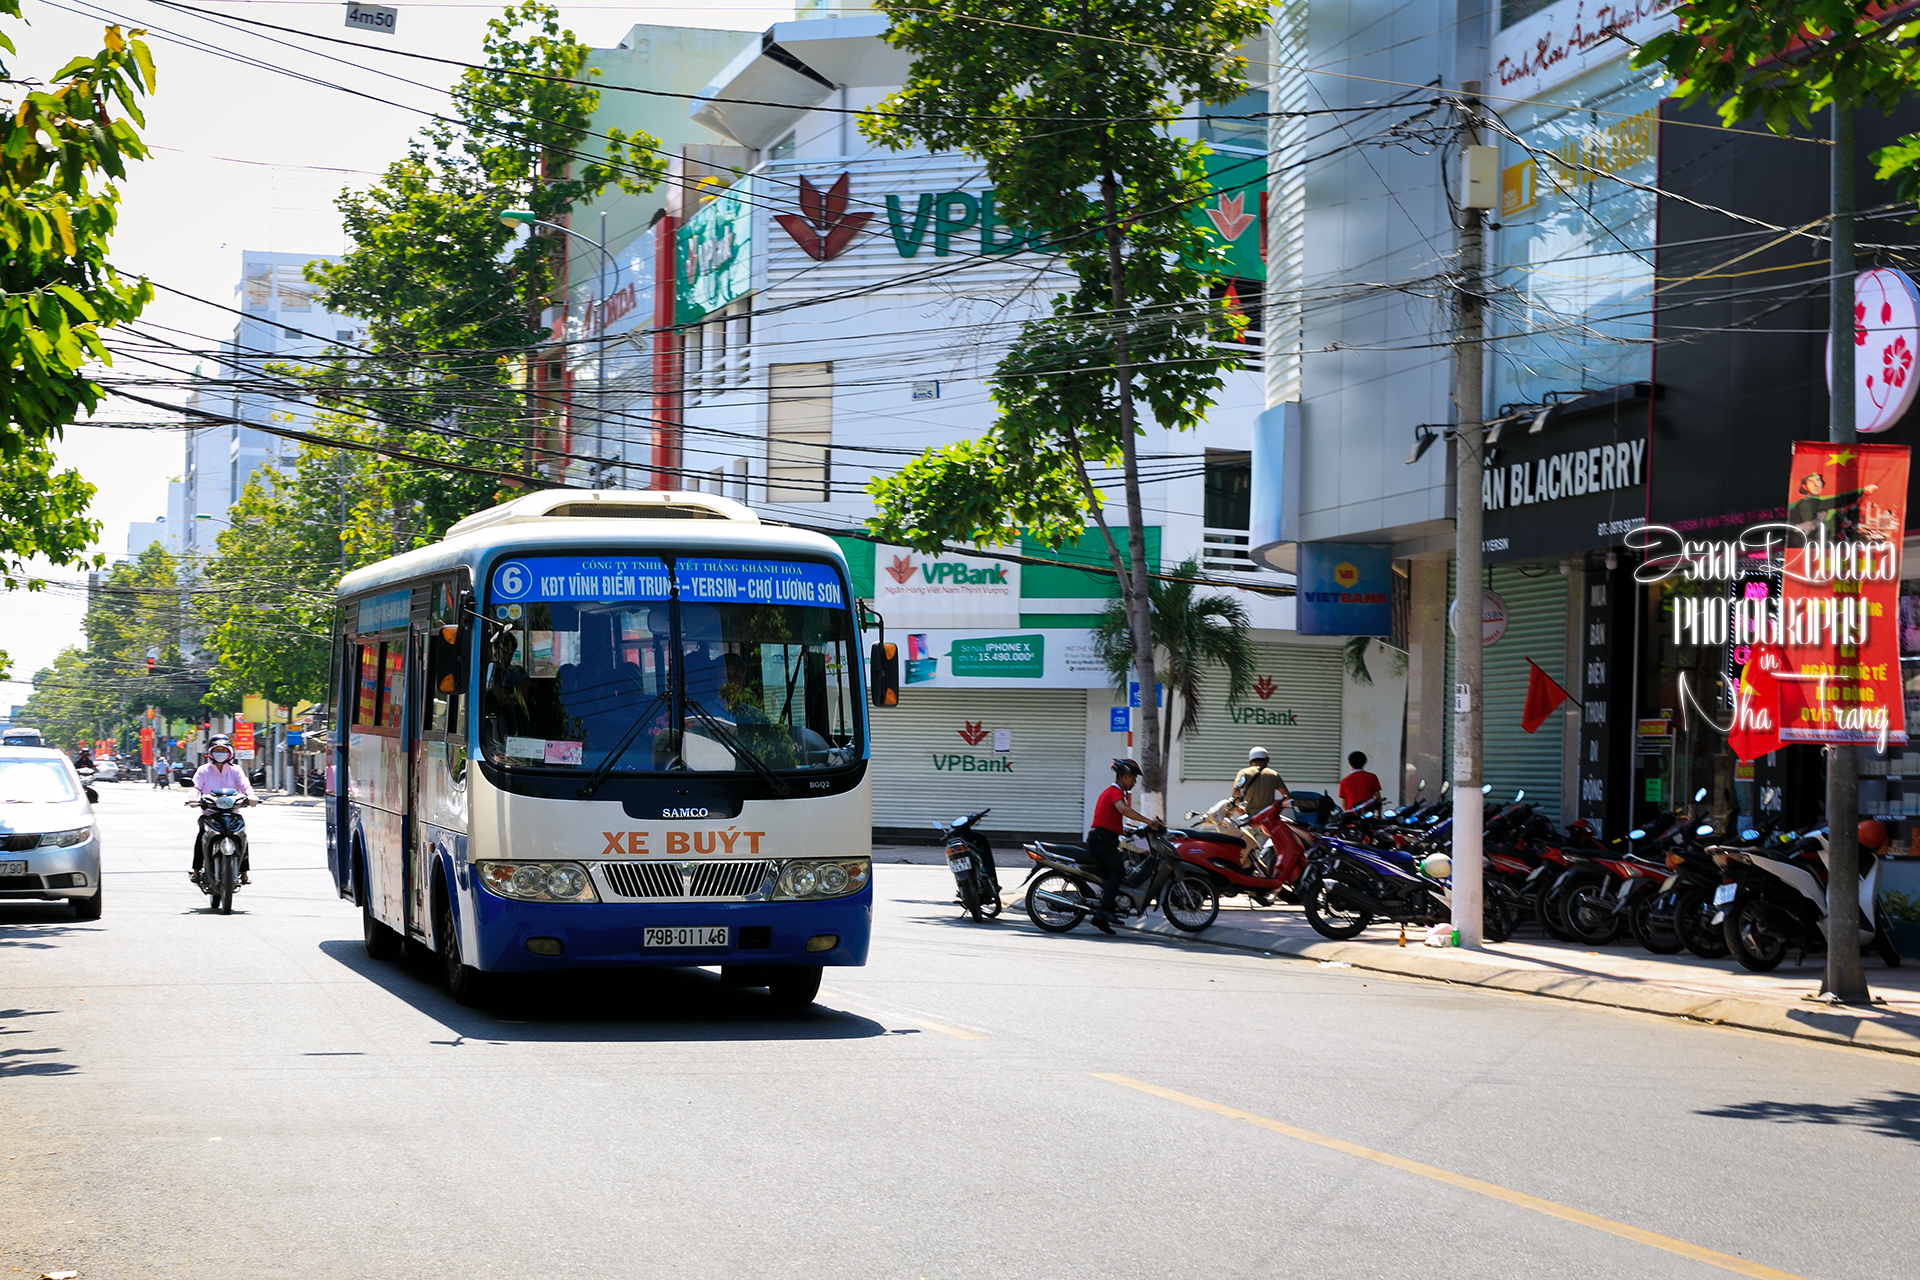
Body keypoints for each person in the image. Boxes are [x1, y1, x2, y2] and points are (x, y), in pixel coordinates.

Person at [1087, 758, 1158, 935]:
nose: (1134, 782)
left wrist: (1131, 830)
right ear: (1125, 777)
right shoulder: (1115, 792)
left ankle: (1099, 917)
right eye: (1133, 778)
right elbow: (1124, 810)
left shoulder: (1113, 792)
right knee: (1118, 870)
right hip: (1101, 840)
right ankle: (1105, 909)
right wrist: (1148, 821)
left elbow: (1111, 818)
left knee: (1118, 869)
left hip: (1105, 838)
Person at [190, 737, 256, 885]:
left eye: (223, 750)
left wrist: (251, 796)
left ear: (230, 752)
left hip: (232, 813)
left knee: (241, 837)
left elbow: (245, 785)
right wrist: (193, 798)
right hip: (210, 813)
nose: (220, 753)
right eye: (217, 750)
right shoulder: (203, 770)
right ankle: (196, 870)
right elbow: (195, 786)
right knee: (202, 836)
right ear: (210, 752)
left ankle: (244, 872)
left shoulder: (236, 770)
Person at [1233, 747, 1288, 821]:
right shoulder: (1274, 775)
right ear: (1267, 760)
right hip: (1268, 819)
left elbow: (1236, 792)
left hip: (1250, 819)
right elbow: (1287, 798)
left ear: (1251, 761)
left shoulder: (1244, 773)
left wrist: (1242, 814)